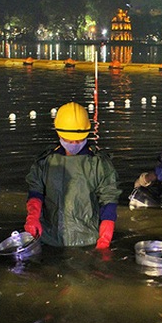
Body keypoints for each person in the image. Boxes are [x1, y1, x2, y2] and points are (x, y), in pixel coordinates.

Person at [25, 102, 121, 248]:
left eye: (80, 139)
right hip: (49, 238)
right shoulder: (45, 162)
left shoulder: (99, 164)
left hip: (89, 240)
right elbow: (35, 191)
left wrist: (105, 238)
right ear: (58, 133)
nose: (75, 143)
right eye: (70, 140)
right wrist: (32, 218)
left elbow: (109, 199)